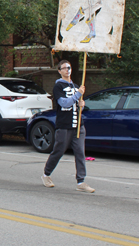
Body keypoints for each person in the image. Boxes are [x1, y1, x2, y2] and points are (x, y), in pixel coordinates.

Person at [41, 60, 95, 193]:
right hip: (64, 125)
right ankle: (46, 175)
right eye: (64, 68)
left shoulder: (76, 86)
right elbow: (64, 103)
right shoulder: (58, 87)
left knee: (80, 153)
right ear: (59, 71)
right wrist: (77, 95)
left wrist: (81, 104)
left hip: (77, 125)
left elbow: (76, 103)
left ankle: (81, 181)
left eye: (69, 67)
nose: (67, 70)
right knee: (58, 151)